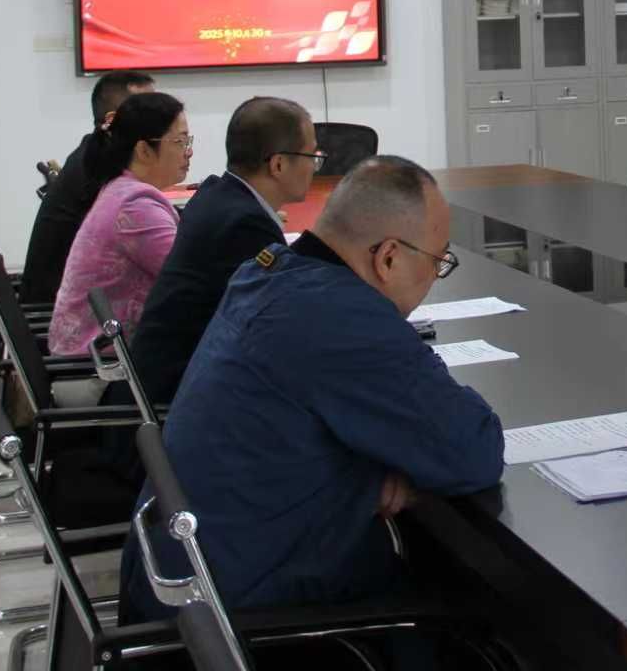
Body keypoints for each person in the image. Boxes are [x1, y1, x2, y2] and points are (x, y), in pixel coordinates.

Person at [119, 156, 504, 623]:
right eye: (438, 261)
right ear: (388, 257)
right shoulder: (342, 319)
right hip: (244, 605)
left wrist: (363, 474)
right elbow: (474, 448)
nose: (434, 278)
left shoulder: (264, 272)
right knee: (474, 603)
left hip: (186, 570)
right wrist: (387, 471)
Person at [127, 97, 320, 408]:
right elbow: (283, 324)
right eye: (312, 156)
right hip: (179, 400)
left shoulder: (217, 194)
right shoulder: (245, 225)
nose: (315, 166)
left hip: (173, 380)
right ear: (279, 165)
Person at [45, 91, 191, 357]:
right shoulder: (135, 206)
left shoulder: (123, 189)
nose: (189, 151)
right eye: (180, 141)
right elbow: (191, 276)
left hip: (101, 349)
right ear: (143, 150)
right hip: (101, 363)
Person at [20, 71, 154, 304]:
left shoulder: (93, 153)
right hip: (64, 310)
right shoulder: (98, 172)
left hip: (80, 298)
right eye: (149, 111)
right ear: (113, 119)